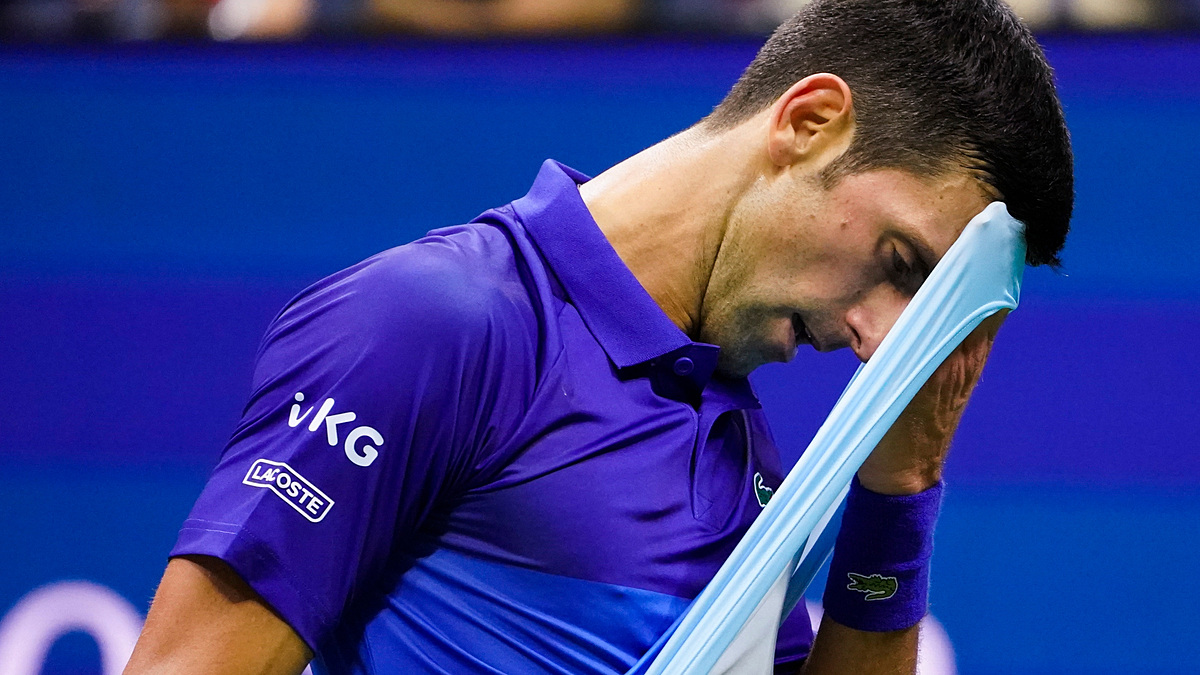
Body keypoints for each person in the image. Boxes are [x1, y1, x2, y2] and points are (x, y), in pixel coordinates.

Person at [124, 1, 1073, 673]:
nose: (881, 341)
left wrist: (896, 496)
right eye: (902, 261)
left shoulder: (747, 457)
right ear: (812, 123)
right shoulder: (430, 325)